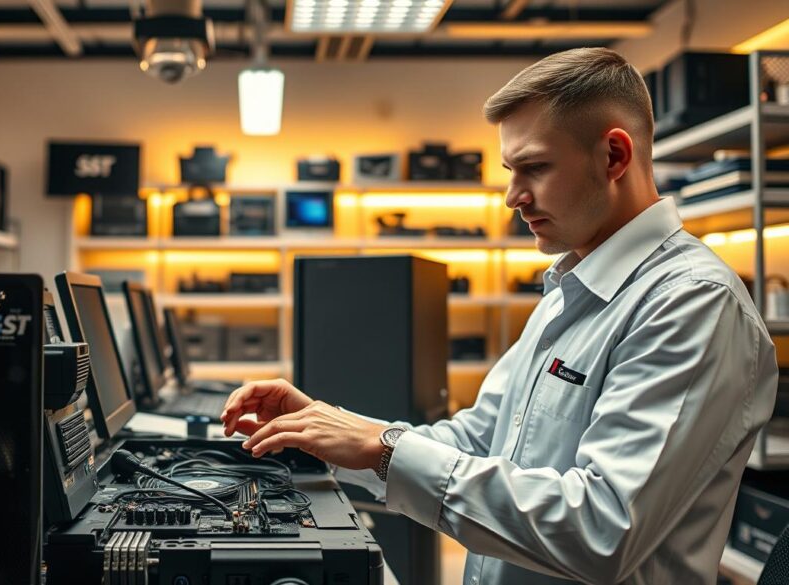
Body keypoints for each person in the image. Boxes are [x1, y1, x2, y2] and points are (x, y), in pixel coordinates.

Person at [220, 47, 778, 585]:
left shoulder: (692, 304)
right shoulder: (568, 287)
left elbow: (603, 528)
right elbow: (477, 442)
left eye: (533, 168)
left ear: (614, 156)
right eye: (511, 169)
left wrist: (385, 448)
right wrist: (326, 431)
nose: (512, 197)